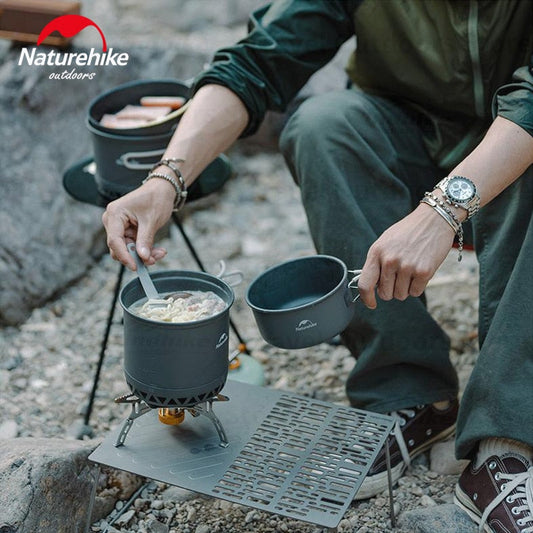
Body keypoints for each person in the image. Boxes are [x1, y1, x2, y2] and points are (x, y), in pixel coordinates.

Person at [102, 2, 533, 530]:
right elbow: (259, 61)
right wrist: (165, 180)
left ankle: (508, 436)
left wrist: (442, 211)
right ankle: (409, 393)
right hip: (409, 136)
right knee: (323, 125)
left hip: (516, 149)